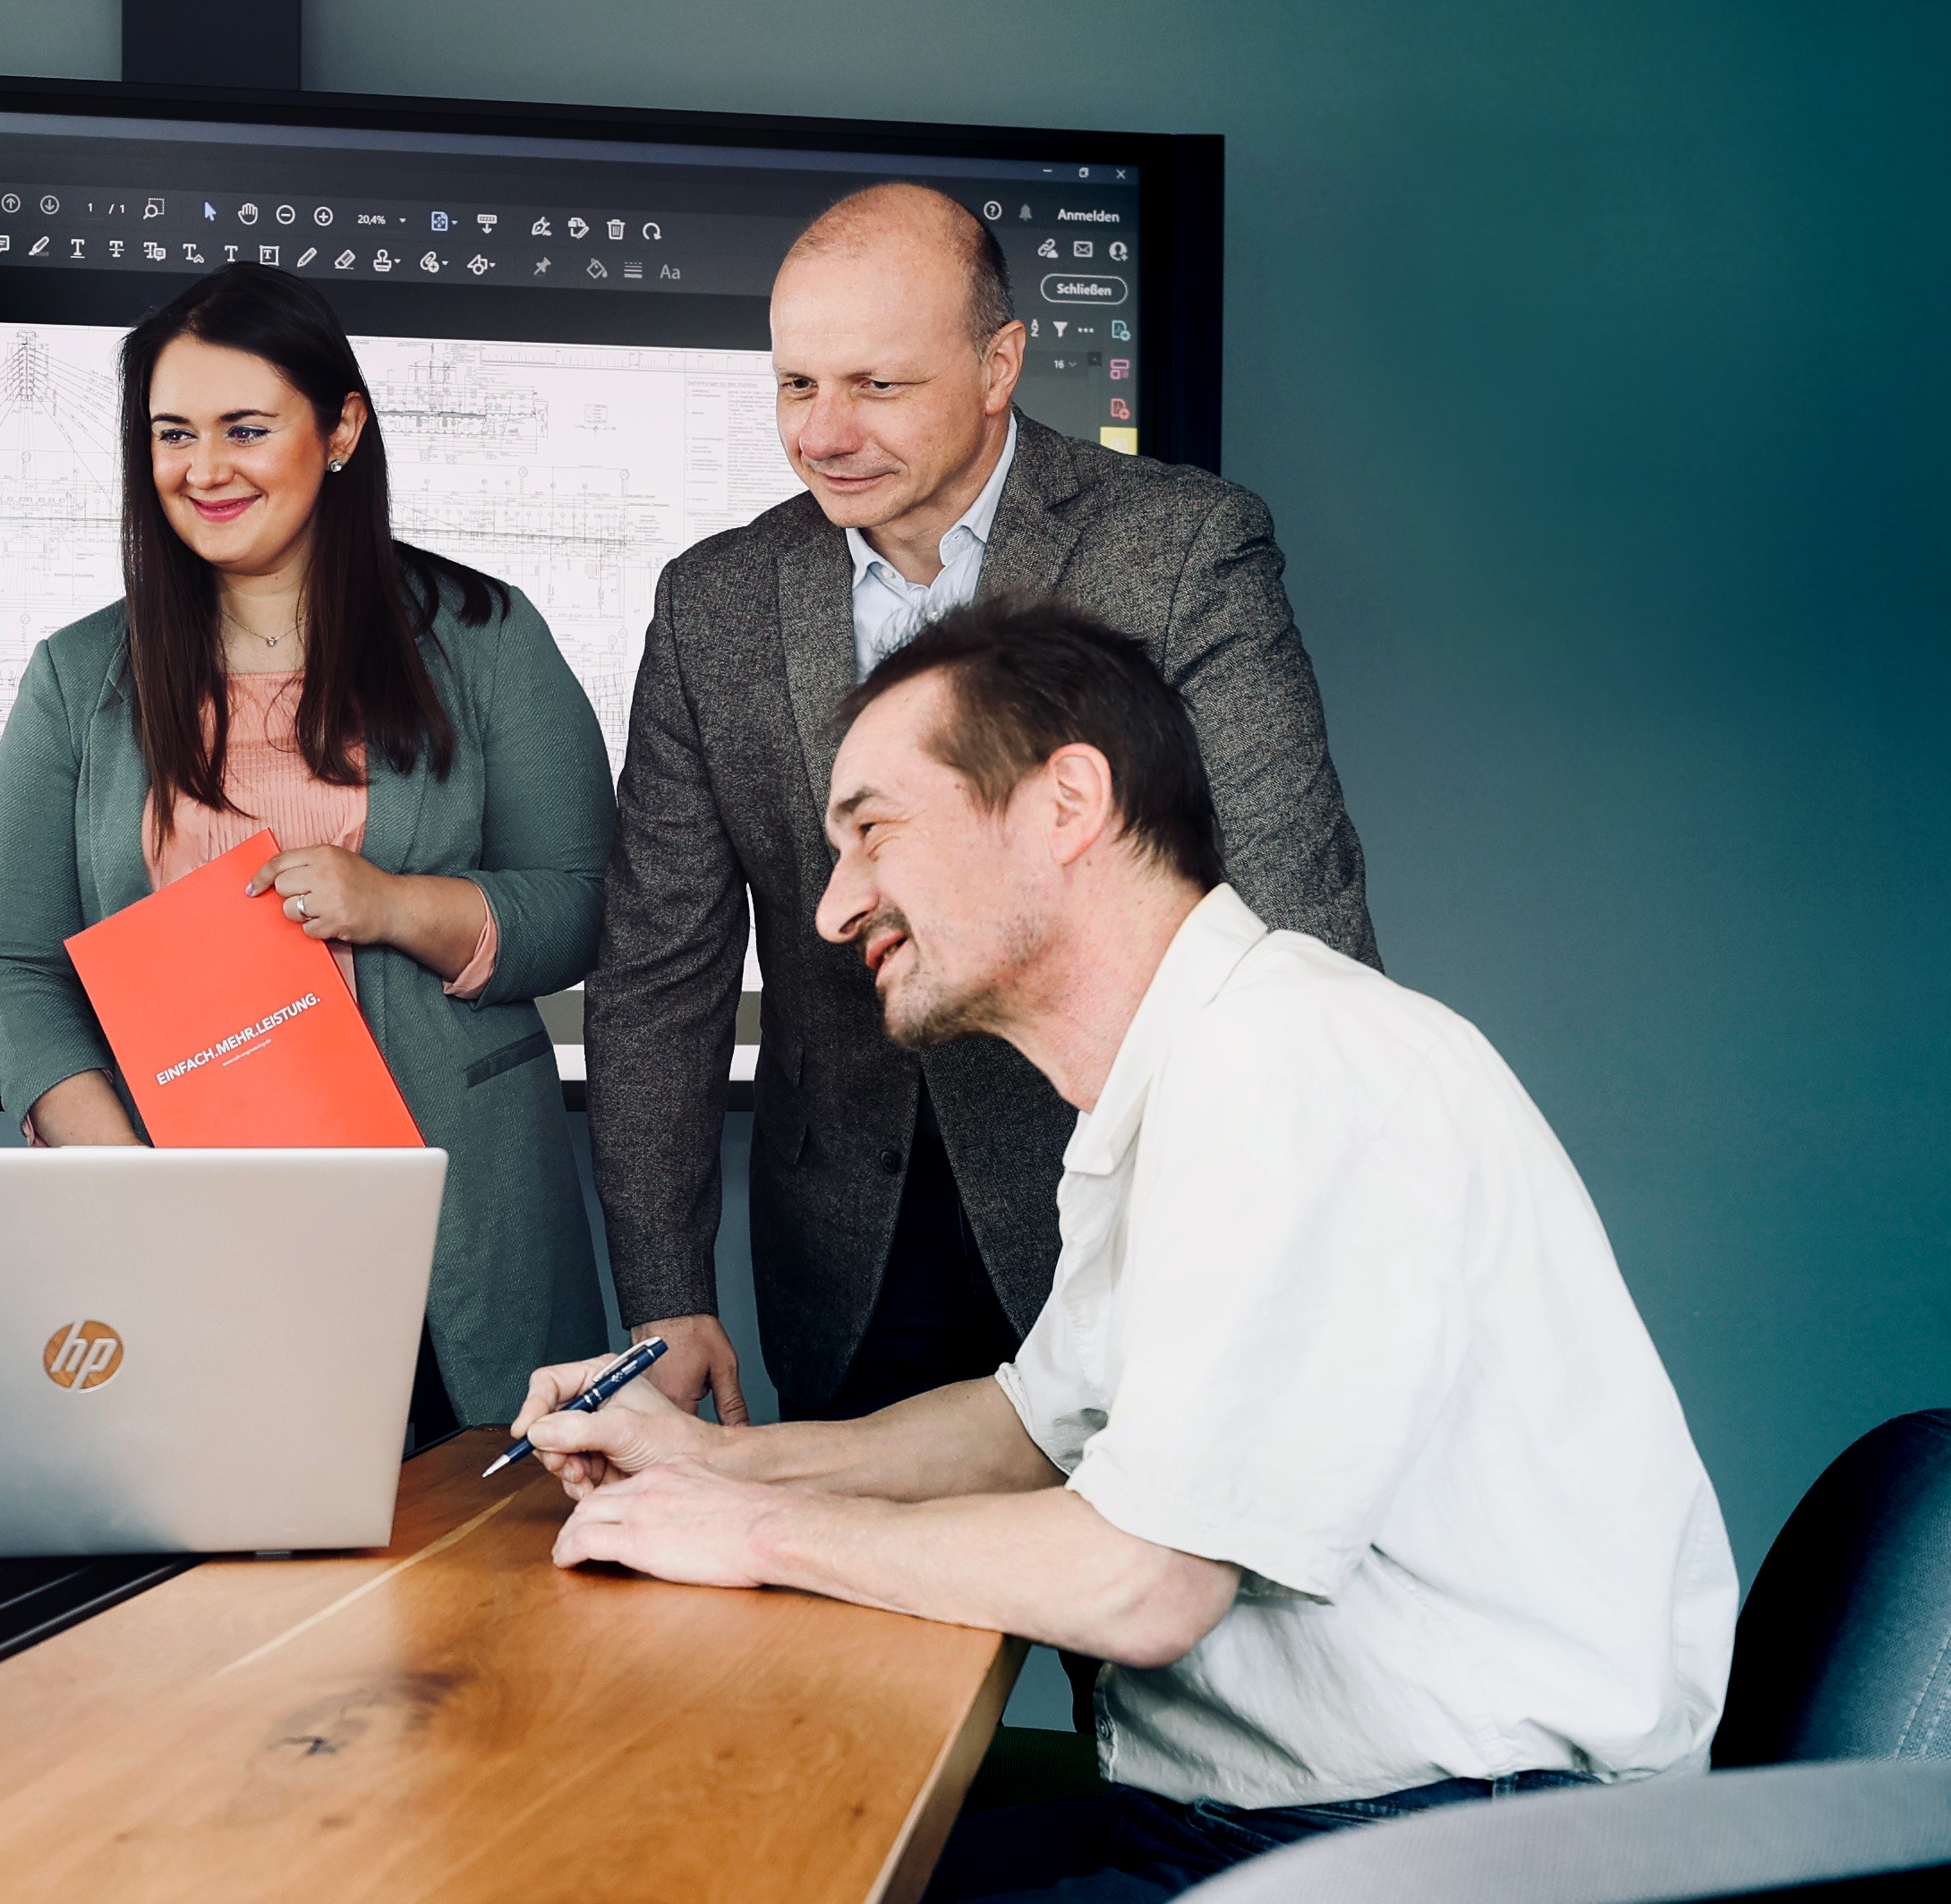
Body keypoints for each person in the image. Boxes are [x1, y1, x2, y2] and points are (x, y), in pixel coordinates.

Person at [521, 597, 1733, 1900]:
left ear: (1066, 803)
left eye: (872, 830)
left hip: (1457, 1847)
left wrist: (750, 1527)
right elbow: (1027, 1428)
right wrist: (705, 1458)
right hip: (1288, 1813)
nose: (832, 908)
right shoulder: (1186, 1071)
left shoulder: (1288, 1067)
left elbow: (1145, 1582)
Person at [587, 182, 1376, 1428]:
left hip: (1140, 1210)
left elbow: (1294, 910)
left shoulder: (1181, 550)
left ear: (998, 364)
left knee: (1145, 1554)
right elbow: (656, 972)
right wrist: (665, 1295)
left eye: (876, 385)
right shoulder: (712, 603)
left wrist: (1292, 1242)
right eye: (796, 385)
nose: (823, 434)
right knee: (856, 1543)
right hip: (846, 1248)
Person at [0, 262, 618, 1436]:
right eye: (172, 434)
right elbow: (5, 963)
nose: (203, 469)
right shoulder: (77, 674)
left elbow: (578, 905)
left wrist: (393, 903)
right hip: (184, 1232)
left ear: (341, 428)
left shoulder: (486, 636)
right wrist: (118, 1168)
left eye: (245, 428)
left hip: (450, 1218)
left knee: (468, 1540)